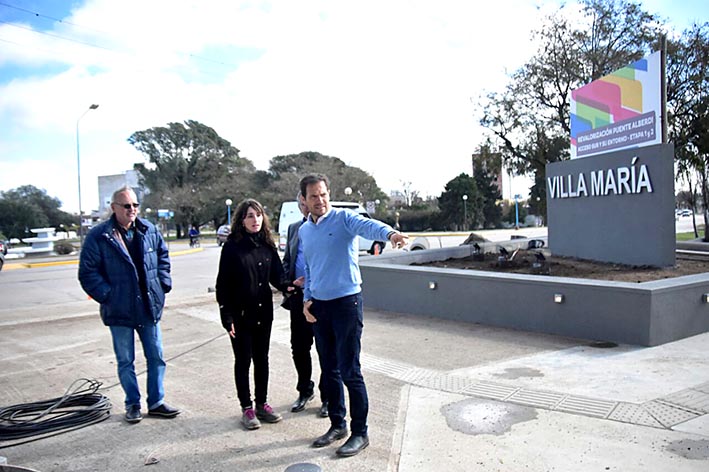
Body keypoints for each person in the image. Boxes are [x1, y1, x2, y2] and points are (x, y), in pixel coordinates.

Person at [298, 174, 408, 457]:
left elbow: (368, 226)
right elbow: (310, 268)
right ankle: (338, 424)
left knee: (350, 370)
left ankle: (361, 432)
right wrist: (307, 299)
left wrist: (391, 234)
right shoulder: (304, 231)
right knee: (329, 369)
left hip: (346, 303)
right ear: (304, 200)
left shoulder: (344, 219)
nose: (320, 200)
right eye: (313, 196)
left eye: (323, 194)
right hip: (319, 307)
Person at [79, 186, 180, 424]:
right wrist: (109, 295)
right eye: (127, 206)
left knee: (156, 357)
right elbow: (87, 273)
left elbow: (163, 259)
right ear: (114, 208)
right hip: (120, 310)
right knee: (126, 361)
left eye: (135, 205)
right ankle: (132, 403)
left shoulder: (150, 230)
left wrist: (162, 286)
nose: (132, 210)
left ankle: (156, 402)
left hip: (148, 307)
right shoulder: (99, 236)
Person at [215, 198, 290, 430]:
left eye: (258, 215)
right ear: (241, 220)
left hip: (263, 313)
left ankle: (262, 403)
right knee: (243, 360)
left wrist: (289, 286)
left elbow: (277, 276)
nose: (255, 219)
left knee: (262, 359)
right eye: (249, 215)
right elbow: (223, 285)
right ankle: (246, 407)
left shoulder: (267, 245)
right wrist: (226, 317)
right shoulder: (232, 247)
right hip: (240, 315)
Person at [282, 194, 328, 417]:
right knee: (299, 348)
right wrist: (288, 282)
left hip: (322, 299)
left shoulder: (327, 228)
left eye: (307, 203)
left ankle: (328, 396)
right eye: (301, 204)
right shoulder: (294, 229)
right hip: (298, 299)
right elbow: (288, 260)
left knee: (326, 350)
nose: (306, 208)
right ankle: (304, 390)